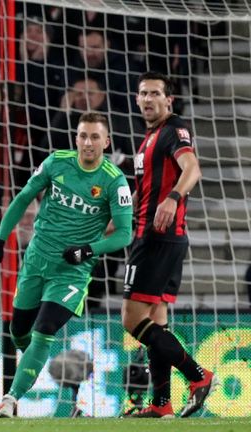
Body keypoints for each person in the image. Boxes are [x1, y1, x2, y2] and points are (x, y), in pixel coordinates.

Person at [0, 112, 134, 418]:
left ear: (107, 142)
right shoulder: (56, 162)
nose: (88, 143)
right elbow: (23, 197)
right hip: (37, 260)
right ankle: (32, 362)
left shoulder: (113, 181)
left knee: (44, 330)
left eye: (95, 137)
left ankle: (11, 399)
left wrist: (87, 251)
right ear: (76, 138)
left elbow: (124, 233)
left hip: (72, 272)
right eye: (83, 136)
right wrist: (0, 239)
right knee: (19, 331)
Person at [121, 72, 213, 418]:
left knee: (131, 320)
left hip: (158, 237)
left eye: (155, 93)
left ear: (168, 100)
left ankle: (198, 375)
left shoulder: (174, 129)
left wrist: (174, 197)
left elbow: (192, 169)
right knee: (155, 322)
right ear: (136, 98)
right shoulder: (148, 139)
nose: (148, 99)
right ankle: (162, 404)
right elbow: (143, 192)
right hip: (159, 236)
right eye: (143, 93)